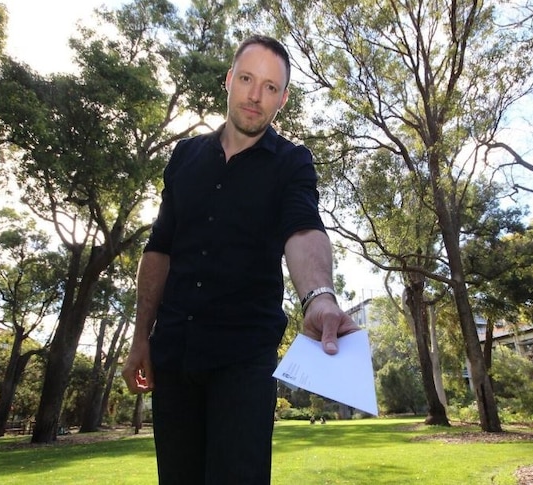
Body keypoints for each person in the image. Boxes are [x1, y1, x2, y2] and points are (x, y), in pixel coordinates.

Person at [121, 35, 359, 485]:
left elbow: (304, 228)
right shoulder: (184, 156)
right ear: (229, 80)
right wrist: (140, 337)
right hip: (173, 357)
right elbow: (159, 248)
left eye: (271, 87)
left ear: (283, 99)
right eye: (248, 79)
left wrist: (319, 297)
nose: (256, 95)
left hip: (243, 361)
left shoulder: (292, 163)